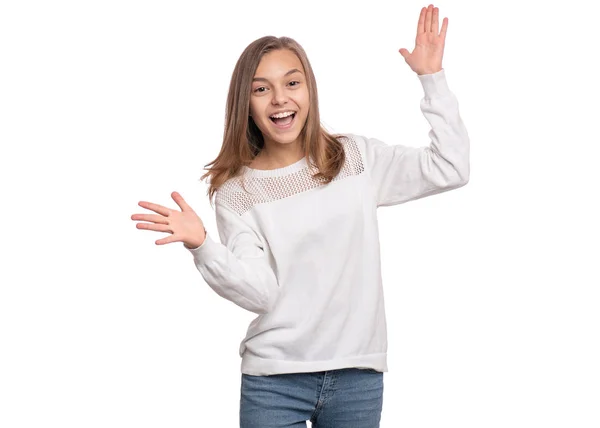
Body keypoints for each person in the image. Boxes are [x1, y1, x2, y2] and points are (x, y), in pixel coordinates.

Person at [131, 4, 469, 427]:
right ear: (246, 104)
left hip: (357, 376)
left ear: (310, 89)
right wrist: (203, 247)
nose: (280, 99)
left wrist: (431, 79)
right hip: (275, 382)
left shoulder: (355, 159)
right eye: (261, 89)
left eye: (293, 82)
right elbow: (262, 295)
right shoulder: (236, 191)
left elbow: (450, 169)